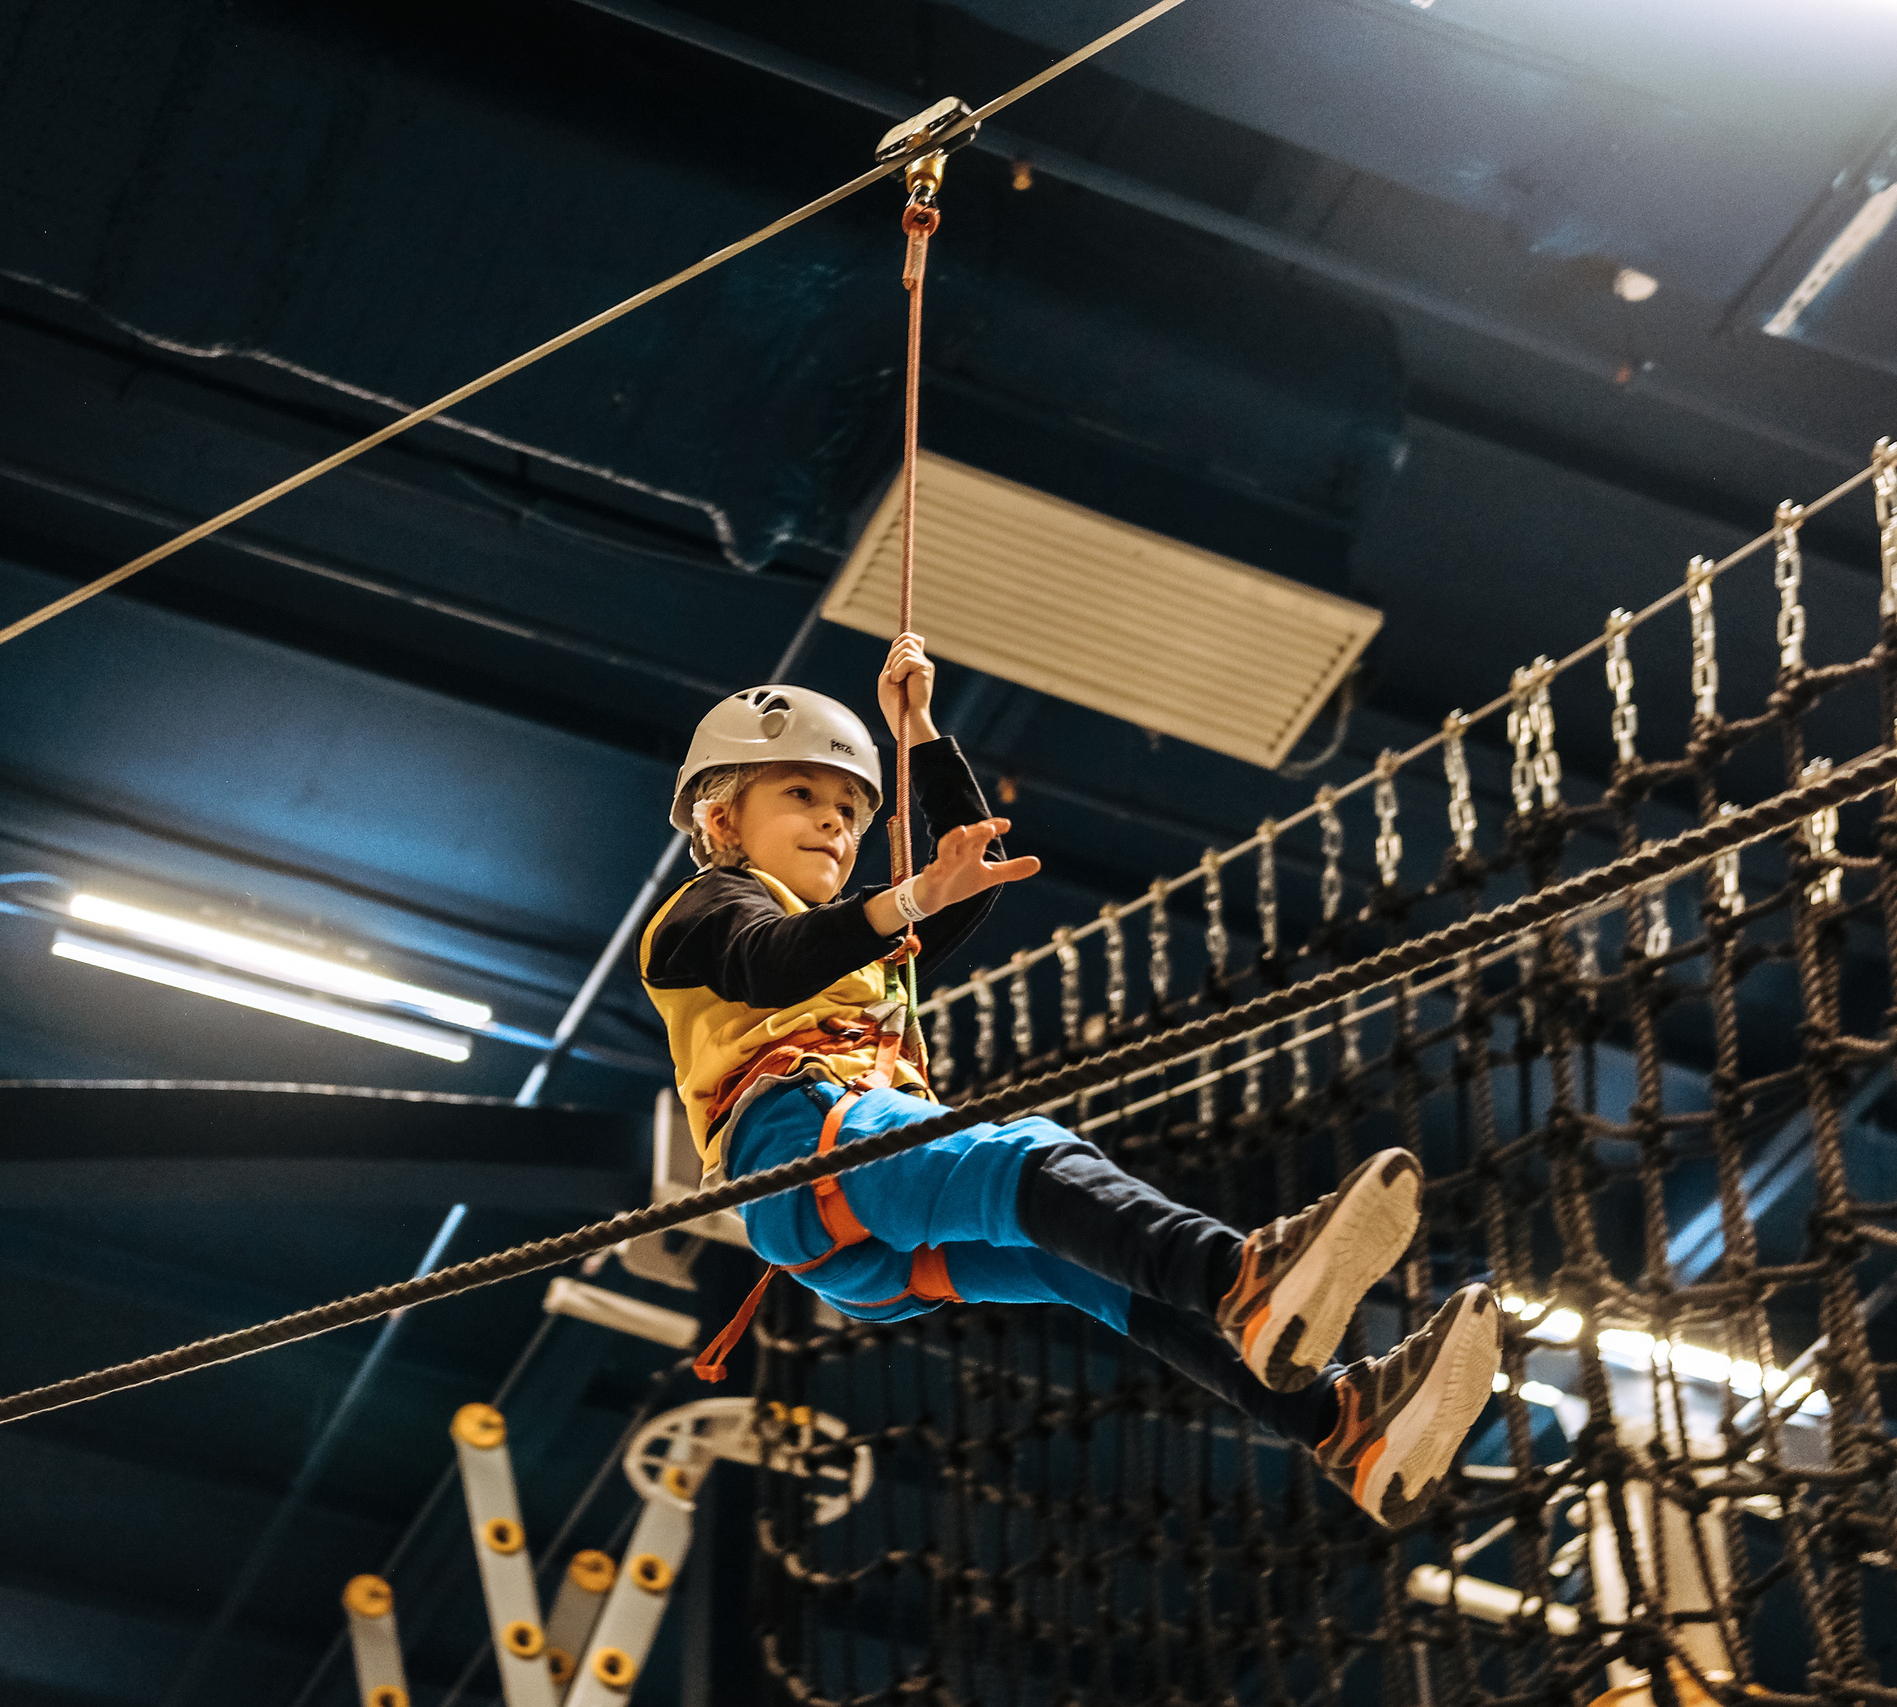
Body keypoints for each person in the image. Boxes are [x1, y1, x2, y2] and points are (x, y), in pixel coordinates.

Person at [637, 634, 1502, 1527]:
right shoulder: (705, 913)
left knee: (1086, 1262)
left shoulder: (859, 934)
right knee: (1030, 1155)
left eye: (855, 811)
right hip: (803, 1157)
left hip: (855, 1218)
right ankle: (1239, 1273)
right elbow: (770, 962)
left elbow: (963, 885)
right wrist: (906, 899)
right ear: (720, 819)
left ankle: (1338, 1424)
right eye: (803, 795)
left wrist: (923, 734)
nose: (836, 823)